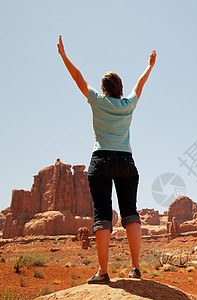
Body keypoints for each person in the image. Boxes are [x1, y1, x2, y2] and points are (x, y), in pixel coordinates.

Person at [57, 35, 156, 284]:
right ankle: (135, 268)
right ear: (120, 87)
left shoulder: (97, 101)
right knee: (130, 213)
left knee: (102, 215)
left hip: (100, 160)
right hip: (126, 161)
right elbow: (140, 84)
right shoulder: (128, 104)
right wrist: (149, 66)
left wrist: (64, 56)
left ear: (103, 89)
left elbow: (78, 78)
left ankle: (103, 272)